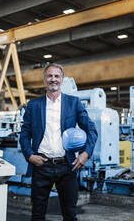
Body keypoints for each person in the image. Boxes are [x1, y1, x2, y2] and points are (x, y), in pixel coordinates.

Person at [20, 63, 97, 221]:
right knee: (37, 214)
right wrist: (29, 156)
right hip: (41, 165)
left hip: (67, 166)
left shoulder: (73, 103)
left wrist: (85, 154)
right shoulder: (34, 105)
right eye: (49, 76)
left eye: (56, 76)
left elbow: (92, 130)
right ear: (44, 80)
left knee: (69, 214)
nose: (53, 79)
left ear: (62, 80)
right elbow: (24, 134)